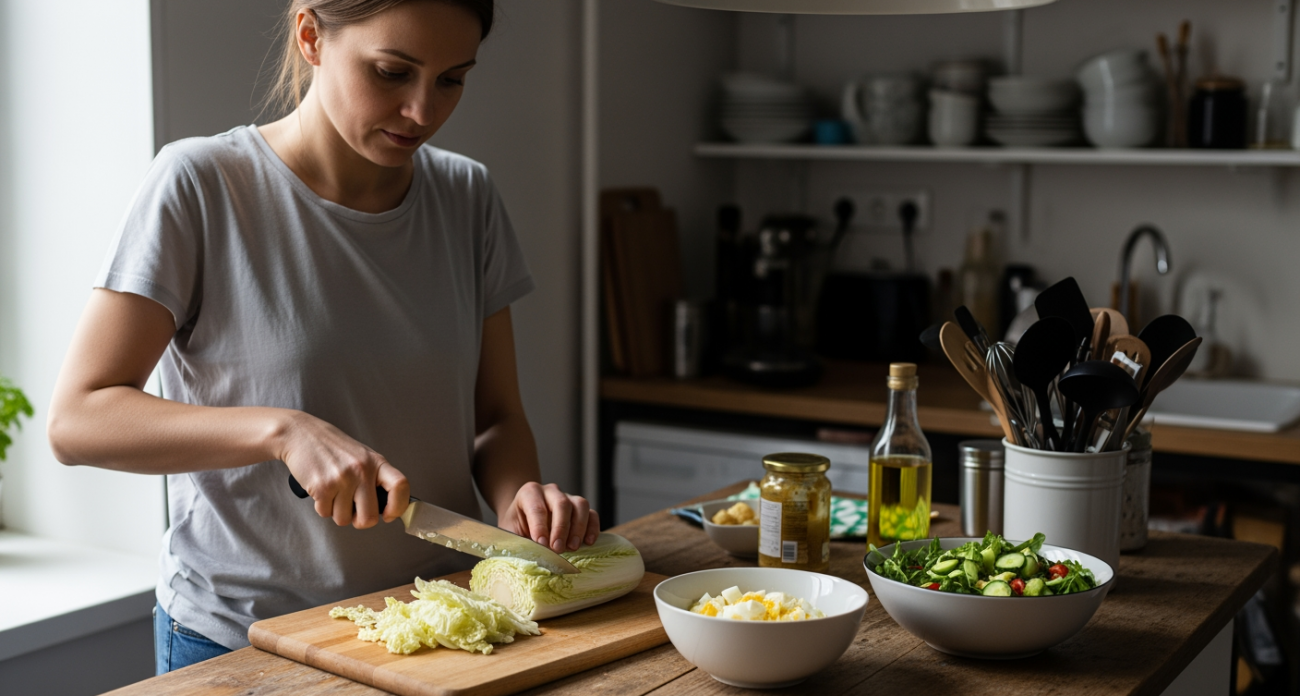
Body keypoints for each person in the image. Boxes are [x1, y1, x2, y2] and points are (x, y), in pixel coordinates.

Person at [46, 0, 596, 675]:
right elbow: (78, 420)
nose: (423, 110)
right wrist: (283, 431)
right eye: (393, 72)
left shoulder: (466, 196)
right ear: (310, 36)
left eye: (452, 79)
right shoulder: (201, 185)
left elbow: (496, 419)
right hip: (245, 642)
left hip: (430, 623)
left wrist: (521, 500)